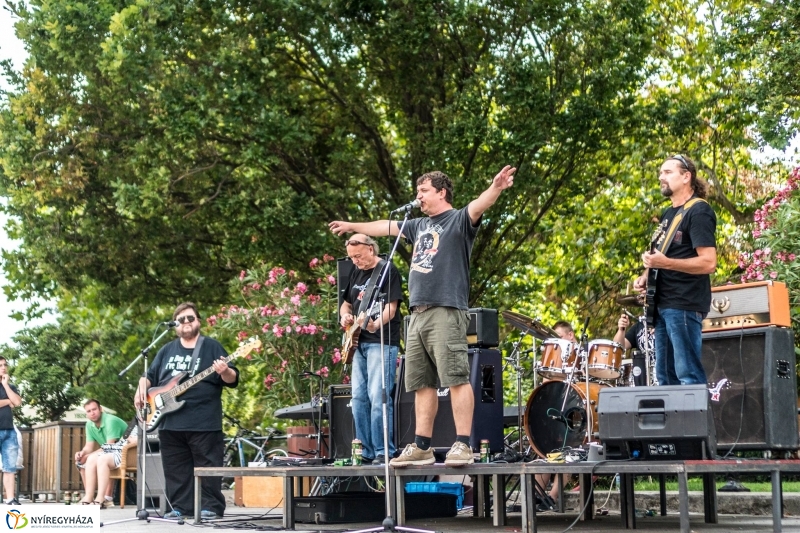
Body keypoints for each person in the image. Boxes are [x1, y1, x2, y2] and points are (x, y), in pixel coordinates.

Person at [330, 165, 516, 467]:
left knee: (455, 376)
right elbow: (385, 227)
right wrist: (353, 226)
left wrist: (495, 187)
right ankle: (422, 446)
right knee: (421, 383)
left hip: (445, 308)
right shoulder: (417, 225)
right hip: (416, 314)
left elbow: (482, 203)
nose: (419, 197)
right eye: (417, 192)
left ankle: (462, 444)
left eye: (424, 191)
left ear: (441, 192)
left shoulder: (457, 220)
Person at [134, 302, 239, 520]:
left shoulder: (211, 347)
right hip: (169, 421)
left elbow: (233, 379)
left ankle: (210, 507)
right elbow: (149, 375)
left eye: (190, 318)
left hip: (204, 420)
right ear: (175, 325)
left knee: (208, 467)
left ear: (198, 321)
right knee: (176, 469)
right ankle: (180, 507)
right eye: (181, 320)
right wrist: (140, 389)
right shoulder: (166, 350)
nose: (186, 323)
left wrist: (225, 370)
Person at [634, 154, 716, 386]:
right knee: (666, 378)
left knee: (688, 375)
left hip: (684, 304)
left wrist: (664, 263)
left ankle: (697, 423)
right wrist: (645, 276)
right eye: (660, 172)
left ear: (686, 176)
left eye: (667, 172)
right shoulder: (668, 215)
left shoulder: (699, 211)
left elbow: (708, 263)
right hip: (662, 305)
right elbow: (661, 259)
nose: (661, 177)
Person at [340, 234, 403, 465]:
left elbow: (392, 308)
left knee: (378, 396)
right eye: (351, 257)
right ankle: (365, 451)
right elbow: (346, 302)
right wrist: (344, 316)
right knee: (358, 398)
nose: (355, 261)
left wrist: (378, 324)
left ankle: (382, 450)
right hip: (357, 341)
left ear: (370, 248)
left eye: (358, 256)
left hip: (381, 341)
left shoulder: (387, 270)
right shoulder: (356, 271)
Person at [74, 399, 128, 506]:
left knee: (97, 458)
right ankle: (89, 496)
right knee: (83, 460)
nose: (92, 413)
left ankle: (102, 498)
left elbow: (110, 445)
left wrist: (90, 455)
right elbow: (89, 446)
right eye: (89, 411)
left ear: (100, 409)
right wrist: (82, 452)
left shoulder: (110, 421)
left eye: (94, 409)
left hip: (127, 453)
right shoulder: (89, 424)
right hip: (111, 452)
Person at [79, 419, 138, 507]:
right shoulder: (136, 420)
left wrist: (131, 439)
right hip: (118, 448)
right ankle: (89, 496)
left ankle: (100, 498)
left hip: (128, 453)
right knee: (91, 458)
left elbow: (146, 440)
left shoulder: (151, 422)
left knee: (103, 459)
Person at [0, 357, 22, 505]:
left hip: (9, 431)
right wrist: (8, 401)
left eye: (4, 365)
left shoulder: (10, 387)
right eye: (0, 365)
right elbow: (12, 402)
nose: (3, 367)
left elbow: (18, 402)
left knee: (10, 468)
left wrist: (5, 385)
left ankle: (10, 499)